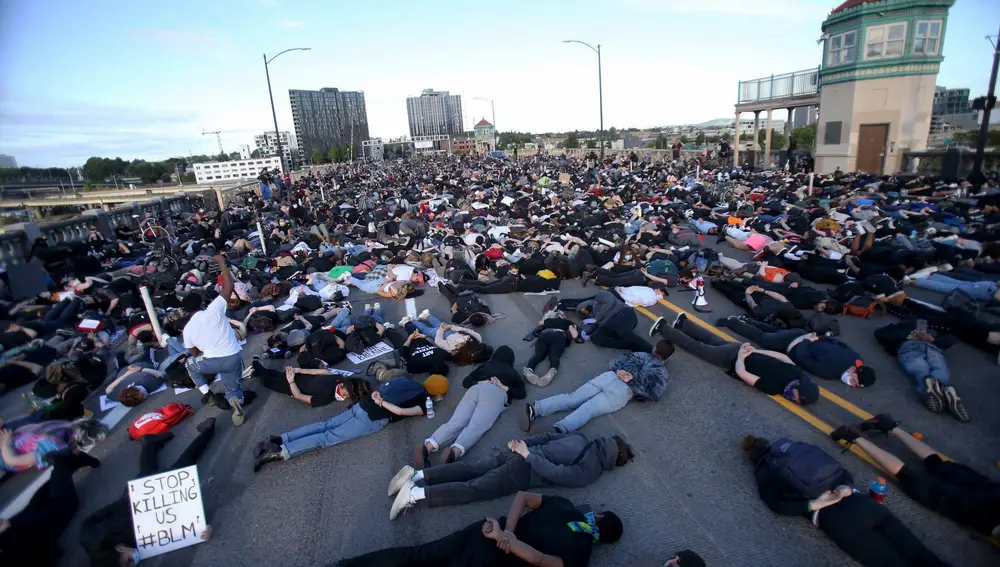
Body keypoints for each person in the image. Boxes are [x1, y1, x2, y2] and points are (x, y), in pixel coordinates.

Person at [741, 434, 952, 567]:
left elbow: (778, 505)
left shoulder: (764, 473)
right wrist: (843, 488)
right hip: (862, 503)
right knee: (922, 555)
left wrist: (816, 504)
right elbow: (839, 470)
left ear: (753, 459)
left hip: (839, 521)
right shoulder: (795, 449)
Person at [389, 431, 634, 519]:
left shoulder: (582, 437)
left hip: (517, 452)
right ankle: (415, 494)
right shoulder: (591, 471)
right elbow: (558, 474)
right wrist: (528, 456)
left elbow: (547, 436)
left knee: (472, 468)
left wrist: (521, 445)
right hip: (523, 469)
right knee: (475, 488)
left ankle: (418, 474)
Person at [336, 491, 623, 567]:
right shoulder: (581, 556)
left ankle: (345, 565)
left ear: (596, 514)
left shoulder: (566, 505)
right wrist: (506, 541)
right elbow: (538, 559)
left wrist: (506, 529)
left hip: (484, 532)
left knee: (418, 555)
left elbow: (522, 496)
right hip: (498, 559)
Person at [831, 413, 999, 537]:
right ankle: (853, 437)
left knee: (939, 465)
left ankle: (891, 427)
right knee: (910, 477)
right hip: (983, 515)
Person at [78, 419, 216, 567]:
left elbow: (90, 522)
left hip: (136, 497)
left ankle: (208, 430)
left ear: (119, 549)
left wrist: (119, 503)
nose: (132, 564)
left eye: (128, 562)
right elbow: (173, 527)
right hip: (143, 502)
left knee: (184, 464)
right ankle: (149, 443)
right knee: (147, 470)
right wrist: (199, 531)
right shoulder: (134, 545)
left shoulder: (90, 538)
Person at [255, 377, 428, 472]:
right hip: (371, 418)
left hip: (362, 404)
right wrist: (382, 403)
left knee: (325, 425)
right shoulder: (423, 401)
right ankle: (281, 451)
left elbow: (383, 386)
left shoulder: (407, 381)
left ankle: (279, 439)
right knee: (327, 438)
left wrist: (376, 398)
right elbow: (401, 412)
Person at [650, 313, 819, 404]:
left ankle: (684, 323)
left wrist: (754, 351)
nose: (795, 400)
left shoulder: (796, 372)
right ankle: (663, 327)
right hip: (732, 358)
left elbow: (780, 356)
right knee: (696, 347)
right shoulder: (774, 387)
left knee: (711, 339)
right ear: (799, 390)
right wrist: (741, 358)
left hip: (742, 349)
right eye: (798, 398)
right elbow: (742, 373)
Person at [521, 345, 674, 433]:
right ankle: (558, 430)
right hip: (623, 392)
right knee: (588, 410)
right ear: (667, 358)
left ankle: (536, 408)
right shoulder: (662, 373)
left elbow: (614, 362)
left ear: (654, 349)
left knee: (573, 397)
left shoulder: (640, 354)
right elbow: (655, 394)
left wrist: (620, 371)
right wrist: (638, 389)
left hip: (610, 377)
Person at [417, 346, 525, 465]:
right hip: (495, 393)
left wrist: (481, 382)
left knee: (456, 422)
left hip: (475, 389)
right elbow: (521, 393)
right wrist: (502, 386)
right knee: (476, 426)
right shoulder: (512, 372)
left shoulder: (485, 366)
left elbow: (466, 382)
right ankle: (455, 450)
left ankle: (428, 446)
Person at [182, 254, 254, 425]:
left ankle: (207, 394)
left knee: (190, 365)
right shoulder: (214, 309)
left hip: (211, 361)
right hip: (233, 358)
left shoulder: (187, 330)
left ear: (186, 311)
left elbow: (194, 353)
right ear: (201, 304)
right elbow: (228, 287)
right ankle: (235, 400)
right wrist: (222, 262)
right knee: (233, 389)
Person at [0, 448, 101, 567]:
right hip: (23, 537)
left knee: (53, 503)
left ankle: (66, 464)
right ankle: (68, 463)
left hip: (22, 537)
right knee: (50, 504)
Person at [718, 315, 877, 388]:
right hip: (795, 344)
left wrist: (814, 337)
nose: (854, 385)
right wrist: (807, 341)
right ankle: (732, 322)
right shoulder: (830, 371)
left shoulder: (855, 357)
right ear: (855, 372)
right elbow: (803, 359)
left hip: (803, 336)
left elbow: (836, 342)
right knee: (764, 338)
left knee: (773, 332)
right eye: (856, 382)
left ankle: (746, 319)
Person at [873, 322, 968, 420]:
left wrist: (933, 339)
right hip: (910, 346)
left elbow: (952, 338)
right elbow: (879, 334)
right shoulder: (902, 327)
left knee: (930, 369)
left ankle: (933, 392)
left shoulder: (936, 330)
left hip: (931, 347)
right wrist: (908, 336)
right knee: (930, 369)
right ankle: (946, 393)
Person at [562, 289, 654, 353]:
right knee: (596, 339)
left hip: (622, 313)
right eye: (583, 313)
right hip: (610, 324)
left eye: (582, 309)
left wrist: (597, 318)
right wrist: (583, 332)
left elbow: (609, 302)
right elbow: (590, 327)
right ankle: (631, 345)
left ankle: (652, 350)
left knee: (622, 332)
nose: (584, 311)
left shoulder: (600, 296)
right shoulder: (592, 317)